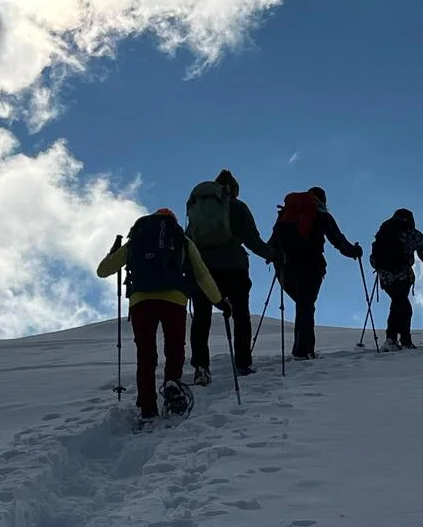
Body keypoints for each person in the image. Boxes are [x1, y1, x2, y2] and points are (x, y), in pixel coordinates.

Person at [96, 208, 228, 425]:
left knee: (145, 355)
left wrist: (112, 254)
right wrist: (219, 301)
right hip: (174, 298)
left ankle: (147, 409)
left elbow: (103, 271)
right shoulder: (182, 240)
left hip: (141, 301)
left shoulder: (136, 241)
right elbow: (202, 273)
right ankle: (172, 383)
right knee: (175, 347)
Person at [184, 169, 283, 384]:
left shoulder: (196, 206)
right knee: (240, 316)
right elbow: (252, 239)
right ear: (233, 190)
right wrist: (273, 255)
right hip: (234, 267)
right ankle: (243, 364)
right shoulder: (238, 207)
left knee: (202, 318)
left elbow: (189, 238)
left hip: (202, 270)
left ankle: (201, 367)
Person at [268, 186, 363, 360]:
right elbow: (337, 239)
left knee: (302, 304)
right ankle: (303, 351)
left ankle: (301, 349)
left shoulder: (287, 213)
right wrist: (354, 251)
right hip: (311, 267)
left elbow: (274, 237)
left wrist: (271, 256)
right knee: (306, 306)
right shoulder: (321, 215)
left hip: (286, 268)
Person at [369, 208, 423, 351]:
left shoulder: (384, 232)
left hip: (385, 278)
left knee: (400, 304)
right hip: (402, 276)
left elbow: (373, 259)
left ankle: (398, 340)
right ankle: (395, 340)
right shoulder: (412, 233)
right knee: (402, 306)